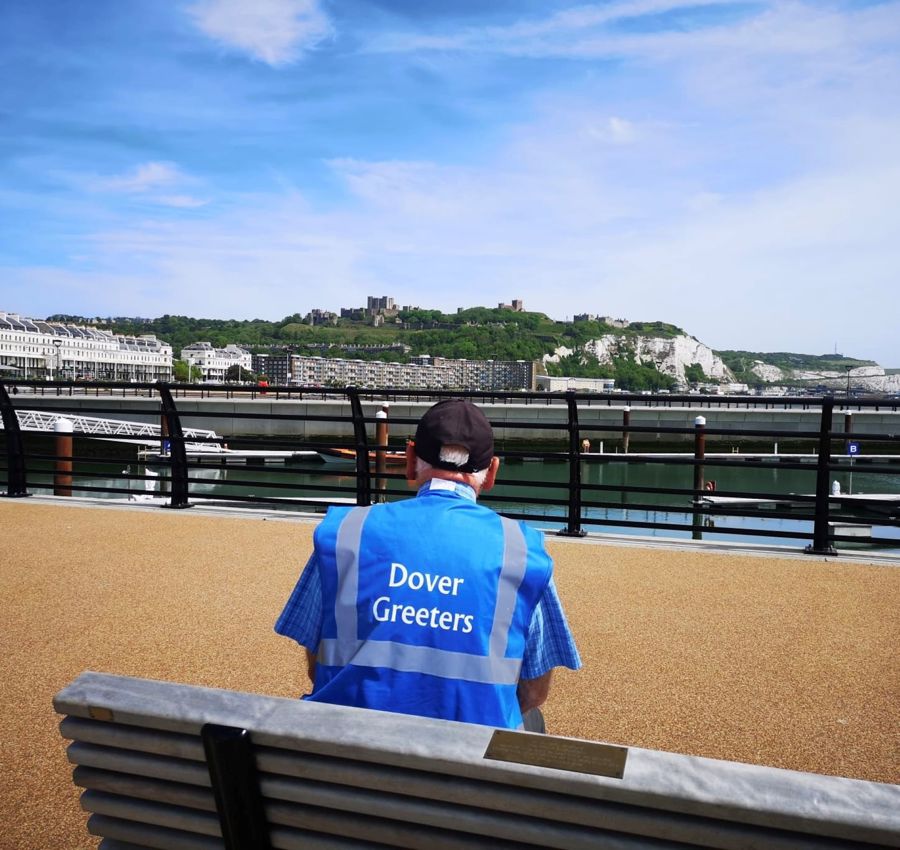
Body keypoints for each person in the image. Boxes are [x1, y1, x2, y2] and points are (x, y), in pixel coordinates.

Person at [275, 398, 581, 730]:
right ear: (491, 472)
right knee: (531, 718)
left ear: (409, 460)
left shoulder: (346, 533)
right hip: (471, 768)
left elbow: (315, 665)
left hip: (345, 752)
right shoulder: (521, 551)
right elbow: (535, 691)